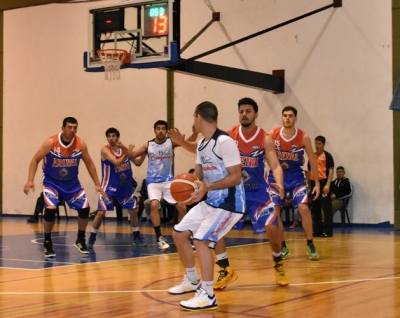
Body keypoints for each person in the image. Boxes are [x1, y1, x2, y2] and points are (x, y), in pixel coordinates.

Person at [167, 101, 246, 311]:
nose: (193, 121)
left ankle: (208, 294)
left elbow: (236, 177)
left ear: (199, 117)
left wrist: (207, 186)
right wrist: (186, 187)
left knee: (201, 241)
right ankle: (192, 280)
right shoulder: (203, 144)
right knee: (179, 233)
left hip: (230, 204)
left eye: (194, 117)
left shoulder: (225, 142)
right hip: (211, 201)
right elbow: (198, 176)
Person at [23, 117, 106, 259]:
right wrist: (30, 180)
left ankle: (80, 239)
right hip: (52, 182)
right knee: (50, 210)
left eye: (75, 127)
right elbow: (35, 159)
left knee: (85, 209)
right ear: (63, 128)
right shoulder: (51, 142)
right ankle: (48, 241)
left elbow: (90, 164)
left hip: (72, 183)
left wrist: (97, 184)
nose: (72, 130)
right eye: (69, 127)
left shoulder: (80, 144)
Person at [118, 120, 196, 251]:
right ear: (154, 130)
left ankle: (183, 237)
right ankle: (159, 238)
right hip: (153, 182)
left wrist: (195, 132)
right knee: (154, 205)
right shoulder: (148, 145)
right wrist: (124, 147)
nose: (160, 131)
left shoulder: (171, 143)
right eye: (158, 128)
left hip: (168, 182)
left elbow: (187, 142)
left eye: (163, 128)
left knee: (182, 207)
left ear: (166, 131)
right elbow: (132, 155)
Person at [267, 106, 321, 260]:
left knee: (304, 209)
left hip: (296, 177)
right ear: (281, 117)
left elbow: (312, 159)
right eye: (285, 115)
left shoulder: (303, 137)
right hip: (277, 178)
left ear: (295, 118)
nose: (287, 118)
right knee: (275, 211)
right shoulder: (272, 135)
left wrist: (316, 182)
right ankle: (283, 246)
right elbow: (265, 154)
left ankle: (310, 244)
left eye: (291, 116)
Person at [87, 128, 147, 248]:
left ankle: (136, 237)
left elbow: (138, 163)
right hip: (109, 188)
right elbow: (117, 162)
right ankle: (92, 237)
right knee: (101, 213)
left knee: (133, 211)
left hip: (125, 188)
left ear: (118, 138)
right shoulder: (105, 150)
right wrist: (128, 150)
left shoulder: (123, 150)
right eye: (109, 136)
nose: (111, 138)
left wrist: (145, 151)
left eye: (113, 136)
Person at [307, 135, 335, 237]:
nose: (317, 145)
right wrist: (308, 184)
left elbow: (331, 171)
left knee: (326, 209)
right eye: (316, 143)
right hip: (313, 184)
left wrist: (327, 185)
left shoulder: (327, 156)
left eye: (319, 144)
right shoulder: (312, 156)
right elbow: (309, 171)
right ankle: (317, 231)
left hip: (323, 184)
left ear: (323, 144)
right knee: (315, 208)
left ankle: (328, 231)